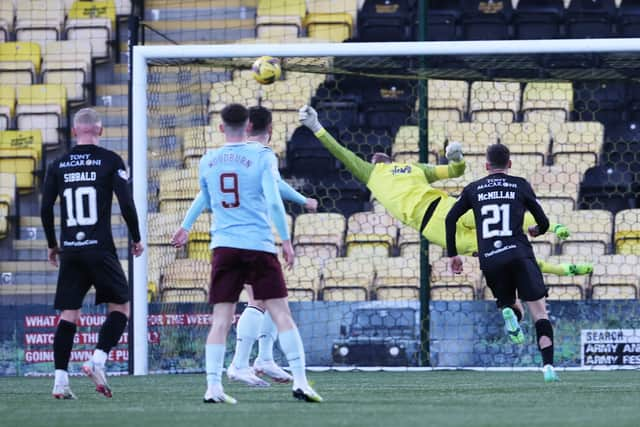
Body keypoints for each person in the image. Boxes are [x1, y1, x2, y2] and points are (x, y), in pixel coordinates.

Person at [297, 105, 592, 277]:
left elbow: (454, 173)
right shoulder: (372, 174)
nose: (374, 156)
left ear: (389, 155)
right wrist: (317, 127)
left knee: (500, 219)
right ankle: (564, 270)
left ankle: (554, 226)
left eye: (378, 154)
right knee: (507, 249)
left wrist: (456, 159)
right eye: (371, 156)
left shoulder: (414, 168)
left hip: (446, 209)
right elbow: (342, 153)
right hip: (433, 228)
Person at [172, 106, 317, 387]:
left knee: (274, 301)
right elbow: (276, 192)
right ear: (269, 130)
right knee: (261, 301)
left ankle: (262, 358)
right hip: (250, 239)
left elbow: (207, 194)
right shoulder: (259, 157)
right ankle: (240, 363)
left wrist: (186, 225)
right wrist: (303, 202)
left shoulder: (221, 159)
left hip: (233, 240)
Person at [41, 108, 144, 399]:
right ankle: (97, 360)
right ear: (99, 130)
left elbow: (46, 207)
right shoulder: (110, 160)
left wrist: (52, 243)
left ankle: (60, 381)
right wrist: (136, 238)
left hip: (71, 249)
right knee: (121, 308)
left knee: (68, 314)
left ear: (75, 132)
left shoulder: (58, 163)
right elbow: (126, 203)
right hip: (100, 248)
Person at [445, 143, 560, 382]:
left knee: (511, 306)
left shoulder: (473, 189)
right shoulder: (519, 184)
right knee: (540, 313)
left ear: (487, 166)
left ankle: (510, 312)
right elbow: (545, 222)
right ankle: (548, 367)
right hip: (519, 253)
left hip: (490, 259)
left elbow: (450, 218)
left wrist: (453, 254)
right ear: (509, 164)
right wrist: (537, 230)